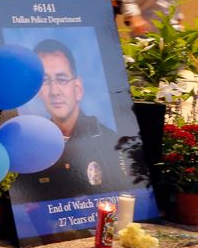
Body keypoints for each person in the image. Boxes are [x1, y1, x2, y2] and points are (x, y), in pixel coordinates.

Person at [10, 39, 131, 202]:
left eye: (61, 79)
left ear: (78, 88)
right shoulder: (34, 146)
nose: (55, 91)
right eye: (45, 81)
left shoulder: (109, 142)